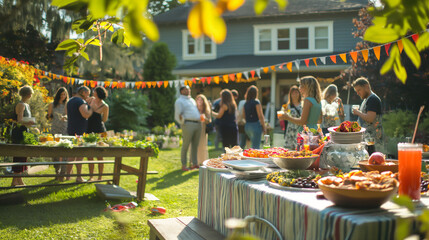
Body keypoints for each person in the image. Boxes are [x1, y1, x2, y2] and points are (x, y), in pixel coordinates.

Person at [66, 86, 93, 182]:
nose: (88, 96)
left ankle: (68, 176)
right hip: (79, 131)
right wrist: (91, 108)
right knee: (79, 155)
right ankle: (79, 177)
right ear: (83, 92)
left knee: (71, 154)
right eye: (88, 94)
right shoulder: (81, 102)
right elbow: (85, 114)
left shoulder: (70, 101)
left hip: (71, 129)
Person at [11, 85, 36, 186]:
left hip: (25, 131)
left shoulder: (26, 105)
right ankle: (17, 181)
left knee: (23, 156)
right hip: (19, 132)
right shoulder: (20, 105)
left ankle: (16, 181)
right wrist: (28, 123)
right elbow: (19, 121)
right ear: (28, 94)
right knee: (19, 155)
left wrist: (32, 126)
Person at [352, 77, 384, 152]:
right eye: (356, 91)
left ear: (366, 86)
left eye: (359, 90)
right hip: (368, 141)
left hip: (373, 142)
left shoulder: (373, 99)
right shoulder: (366, 99)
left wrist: (357, 112)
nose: (357, 93)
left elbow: (370, 118)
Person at [175, 85, 202, 171]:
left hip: (197, 124)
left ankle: (194, 164)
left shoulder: (192, 100)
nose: (188, 90)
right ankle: (184, 165)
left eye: (189, 89)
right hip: (188, 124)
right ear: (181, 91)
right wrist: (183, 123)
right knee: (186, 145)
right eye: (186, 89)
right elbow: (178, 114)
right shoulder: (179, 101)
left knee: (195, 145)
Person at [86, 86, 109, 181]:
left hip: (99, 131)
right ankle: (91, 176)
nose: (93, 92)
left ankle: (100, 177)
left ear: (97, 93)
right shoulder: (90, 100)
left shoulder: (105, 106)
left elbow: (104, 119)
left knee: (100, 154)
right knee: (90, 155)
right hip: (88, 129)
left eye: (94, 91)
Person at [46, 87, 69, 181]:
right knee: (55, 151)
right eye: (61, 94)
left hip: (65, 129)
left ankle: (63, 173)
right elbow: (49, 117)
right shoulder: (52, 104)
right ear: (58, 95)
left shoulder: (67, 104)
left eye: (64, 94)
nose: (63, 96)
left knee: (65, 150)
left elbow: (68, 115)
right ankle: (57, 171)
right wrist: (49, 116)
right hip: (55, 128)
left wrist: (65, 117)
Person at [281, 85, 302, 150]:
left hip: (300, 130)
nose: (295, 95)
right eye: (293, 93)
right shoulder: (286, 106)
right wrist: (283, 115)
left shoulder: (303, 104)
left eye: (296, 92)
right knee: (289, 151)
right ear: (290, 95)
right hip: (290, 130)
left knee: (299, 150)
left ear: (299, 93)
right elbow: (281, 117)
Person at [196, 94, 211, 165]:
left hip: (203, 129)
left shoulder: (206, 110)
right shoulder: (194, 108)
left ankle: (203, 161)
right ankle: (194, 161)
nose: (199, 101)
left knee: (202, 145)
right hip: (195, 127)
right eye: (198, 99)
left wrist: (205, 119)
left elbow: (209, 120)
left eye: (201, 100)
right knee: (195, 145)